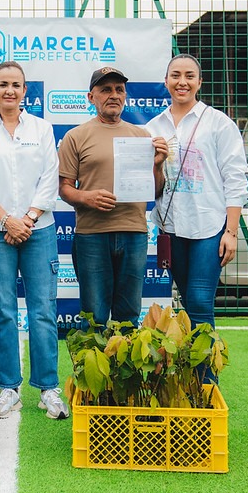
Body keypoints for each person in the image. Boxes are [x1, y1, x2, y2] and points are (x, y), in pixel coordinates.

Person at [0, 61, 68, 420]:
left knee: (43, 311)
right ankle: (9, 389)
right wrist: (6, 220)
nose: (9, 91)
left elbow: (49, 178)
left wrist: (26, 219)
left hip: (38, 230)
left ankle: (48, 388)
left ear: (25, 91)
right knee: (3, 312)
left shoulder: (42, 128)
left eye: (16, 85)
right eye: (3, 85)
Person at [145, 53, 248, 334]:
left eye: (189, 76)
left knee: (201, 302)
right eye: (176, 75)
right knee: (189, 302)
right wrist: (156, 165)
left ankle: (208, 365)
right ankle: (193, 363)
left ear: (199, 82)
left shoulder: (218, 123)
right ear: (165, 81)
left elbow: (235, 179)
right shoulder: (153, 127)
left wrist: (231, 232)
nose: (182, 82)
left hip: (209, 226)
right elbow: (154, 189)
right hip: (172, 228)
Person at [58, 67, 168, 327]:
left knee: (128, 315)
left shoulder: (142, 137)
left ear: (125, 96)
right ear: (91, 97)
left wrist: (158, 165)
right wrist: (87, 197)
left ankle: (125, 356)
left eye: (119, 90)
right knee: (94, 315)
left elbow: (155, 191)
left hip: (134, 233)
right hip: (92, 235)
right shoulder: (75, 136)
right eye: (106, 90)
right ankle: (92, 356)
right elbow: (64, 189)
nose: (114, 95)